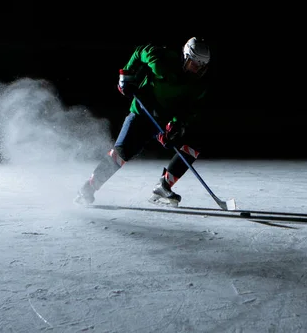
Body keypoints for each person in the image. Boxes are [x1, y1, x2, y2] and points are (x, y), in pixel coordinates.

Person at [75, 36, 212, 207]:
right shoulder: (163, 60)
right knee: (122, 153)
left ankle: (163, 186)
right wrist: (126, 74)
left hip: (164, 119)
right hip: (142, 114)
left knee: (194, 144)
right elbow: (141, 51)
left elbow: (189, 108)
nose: (197, 69)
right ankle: (88, 188)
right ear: (185, 57)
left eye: (201, 66)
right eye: (194, 63)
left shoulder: (198, 85)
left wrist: (176, 125)